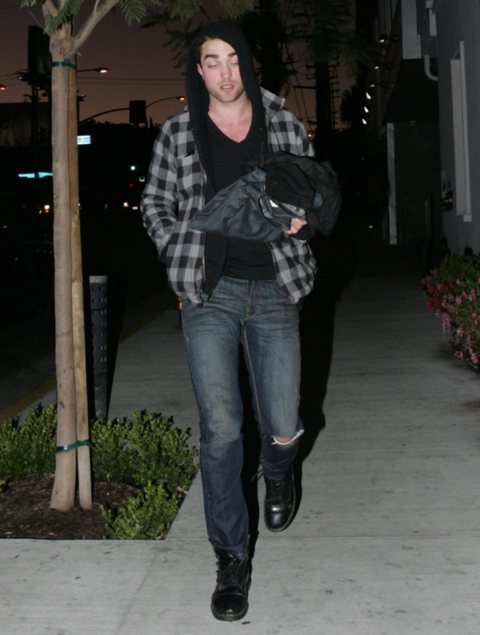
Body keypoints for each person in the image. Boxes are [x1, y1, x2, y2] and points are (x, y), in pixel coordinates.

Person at [141, 20, 318, 622]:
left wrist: (304, 219)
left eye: (233, 59)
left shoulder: (283, 124)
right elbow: (155, 203)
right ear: (199, 70)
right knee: (221, 429)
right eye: (212, 61)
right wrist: (175, 246)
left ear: (247, 62)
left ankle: (279, 470)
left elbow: (311, 191)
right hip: (208, 292)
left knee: (284, 422)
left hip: (274, 286)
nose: (224, 72)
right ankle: (231, 559)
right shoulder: (178, 133)